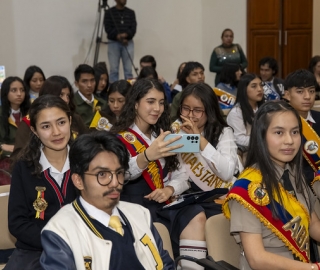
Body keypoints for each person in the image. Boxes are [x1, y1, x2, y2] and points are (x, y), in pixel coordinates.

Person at [40, 131, 174, 270]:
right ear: (78, 180)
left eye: (119, 173)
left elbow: (166, 265)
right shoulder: (60, 231)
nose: (115, 183)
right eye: (102, 174)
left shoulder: (140, 214)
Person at [111, 78, 207, 270]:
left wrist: (170, 189)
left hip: (163, 201)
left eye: (161, 102)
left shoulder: (164, 135)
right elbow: (120, 175)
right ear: (136, 103)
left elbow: (183, 176)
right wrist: (147, 155)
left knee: (195, 214)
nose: (157, 108)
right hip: (135, 203)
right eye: (150, 101)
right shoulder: (118, 137)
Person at [223, 100, 320, 269]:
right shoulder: (247, 189)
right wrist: (313, 268)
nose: (289, 140)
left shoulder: (295, 174)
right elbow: (257, 259)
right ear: (261, 136)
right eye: (279, 133)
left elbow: (313, 225)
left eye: (295, 132)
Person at [4, 95, 77, 270]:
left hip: (81, 248)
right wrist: (55, 240)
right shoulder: (24, 166)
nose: (56, 132)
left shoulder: (86, 161)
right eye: (46, 126)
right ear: (35, 131)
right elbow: (17, 223)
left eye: (61, 122)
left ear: (70, 121)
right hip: (35, 251)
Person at [172, 83, 241, 217]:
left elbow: (227, 173)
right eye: (186, 108)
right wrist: (171, 189)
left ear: (209, 111)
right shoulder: (177, 131)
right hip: (193, 197)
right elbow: (181, 174)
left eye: (197, 110)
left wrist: (200, 140)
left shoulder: (223, 132)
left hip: (223, 195)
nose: (190, 115)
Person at [11, 75, 88, 163]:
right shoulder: (29, 122)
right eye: (61, 95)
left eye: (68, 96)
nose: (66, 100)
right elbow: (17, 157)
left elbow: (87, 144)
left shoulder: (74, 118)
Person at [283, 70, 320, 190]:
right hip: (292, 185)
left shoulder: (318, 118)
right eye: (300, 91)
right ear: (287, 95)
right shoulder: (279, 122)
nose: (307, 96)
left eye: (311, 91)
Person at [227, 74, 264, 160]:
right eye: (254, 86)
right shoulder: (236, 112)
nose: (259, 89)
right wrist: (264, 140)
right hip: (247, 154)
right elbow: (238, 138)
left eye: (261, 85)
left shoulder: (263, 108)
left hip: (262, 151)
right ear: (244, 90)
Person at [0, 77, 30, 185]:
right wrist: (2, 146)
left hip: (29, 157)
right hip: (6, 159)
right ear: (5, 92)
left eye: (22, 90)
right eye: (14, 90)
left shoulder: (31, 114)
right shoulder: (1, 114)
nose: (19, 94)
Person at [104, 0, 137, 82]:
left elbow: (133, 28)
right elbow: (108, 28)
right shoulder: (109, 12)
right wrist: (118, 36)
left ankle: (129, 91)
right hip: (113, 43)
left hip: (128, 42)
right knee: (114, 70)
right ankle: (114, 91)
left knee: (128, 71)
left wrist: (125, 36)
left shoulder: (131, 12)